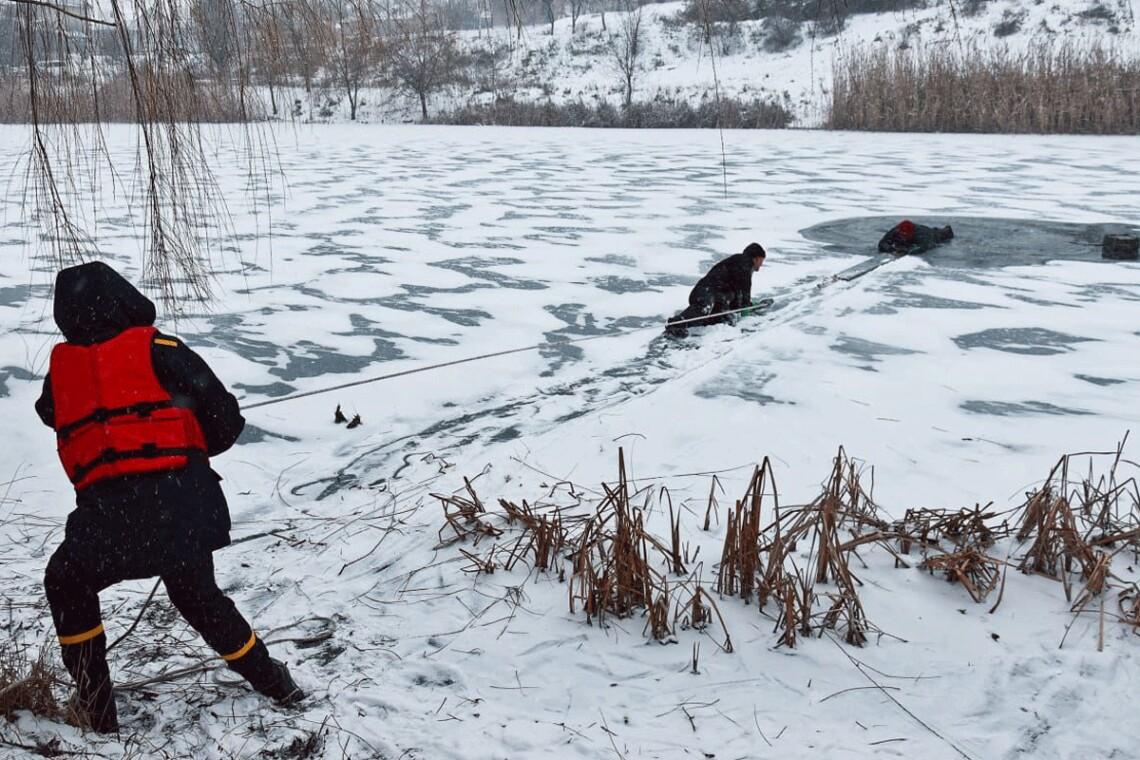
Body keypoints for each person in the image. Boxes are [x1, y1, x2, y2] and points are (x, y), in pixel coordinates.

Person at [35, 262, 303, 733]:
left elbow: (51, 415)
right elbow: (226, 421)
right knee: (198, 596)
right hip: (184, 509)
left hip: (110, 521)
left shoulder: (59, 375)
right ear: (125, 298)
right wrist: (183, 450)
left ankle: (98, 714)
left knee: (66, 581)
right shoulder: (162, 349)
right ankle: (275, 682)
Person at [666, 243, 766, 337]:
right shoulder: (744, 263)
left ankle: (689, 321)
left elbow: (739, 296)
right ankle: (676, 324)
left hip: (716, 295)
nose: (761, 265)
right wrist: (746, 314)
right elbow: (745, 291)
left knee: (723, 317)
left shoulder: (740, 265)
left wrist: (750, 306)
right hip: (705, 291)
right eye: (761, 261)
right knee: (704, 308)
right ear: (755, 259)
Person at [877, 219, 954, 255]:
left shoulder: (922, 234)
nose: (902, 236)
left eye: (905, 235)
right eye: (901, 234)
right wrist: (891, 249)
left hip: (933, 235)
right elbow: (882, 243)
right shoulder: (896, 230)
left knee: (943, 234)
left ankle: (946, 229)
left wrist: (907, 251)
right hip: (912, 240)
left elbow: (923, 247)